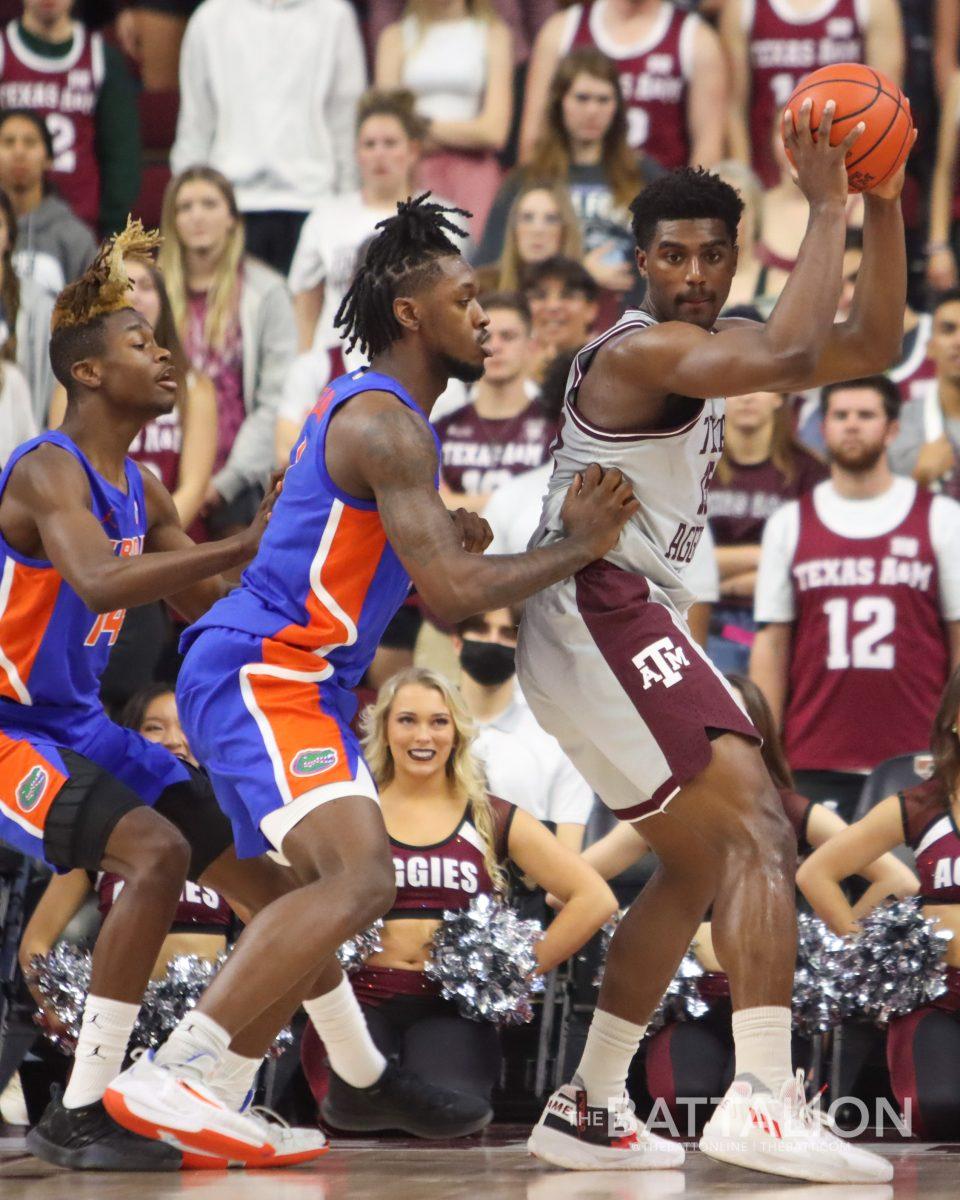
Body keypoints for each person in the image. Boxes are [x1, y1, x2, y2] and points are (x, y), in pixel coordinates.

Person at [103, 195, 639, 1166]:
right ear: (409, 312)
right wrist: (575, 544)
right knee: (362, 878)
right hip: (271, 672)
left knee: (297, 894)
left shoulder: (377, 415)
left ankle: (320, 1084)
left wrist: (430, 532)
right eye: (467, 298)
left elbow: (380, 549)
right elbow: (453, 594)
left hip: (282, 675)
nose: (483, 317)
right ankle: (181, 1068)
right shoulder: (389, 426)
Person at [517, 98, 912, 1181]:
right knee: (760, 836)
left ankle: (592, 1101)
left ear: (738, 257)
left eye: (713, 255)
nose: (694, 272)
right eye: (674, 255)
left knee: (695, 868)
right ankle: (763, 1095)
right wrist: (827, 199)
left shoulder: (716, 339)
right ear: (640, 261)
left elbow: (871, 341)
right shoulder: (642, 353)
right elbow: (791, 344)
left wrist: (881, 203)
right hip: (595, 609)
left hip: (615, 619)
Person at [4, 224, 324, 1171]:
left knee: (275, 891)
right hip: (11, 728)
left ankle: (274, 1081)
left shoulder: (141, 484)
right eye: (143, 343)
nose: (167, 356)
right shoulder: (45, 466)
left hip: (78, 724)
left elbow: (205, 602)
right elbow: (104, 583)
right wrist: (237, 541)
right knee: (154, 853)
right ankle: (82, 1107)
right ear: (90, 374)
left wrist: (309, 566)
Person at [567, 673, 916, 1131]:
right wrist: (638, 926)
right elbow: (570, 886)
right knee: (682, 1103)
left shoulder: (789, 809)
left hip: (778, 1003)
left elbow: (897, 878)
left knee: (760, 1109)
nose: (716, 735)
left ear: (756, 735)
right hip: (691, 1002)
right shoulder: (663, 808)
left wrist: (843, 936)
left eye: (730, 722)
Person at [307, 667, 616, 1134]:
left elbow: (593, 898)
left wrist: (519, 969)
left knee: (455, 1119)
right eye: (407, 720)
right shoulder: (350, 809)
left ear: (457, 733)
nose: (423, 735)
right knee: (352, 1121)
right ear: (385, 729)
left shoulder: (489, 814)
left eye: (439, 721)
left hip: (448, 1008)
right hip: (358, 1001)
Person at [751, 376, 960, 821]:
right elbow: (771, 643)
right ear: (822, 427)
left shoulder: (943, 518)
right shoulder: (788, 523)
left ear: (892, 429)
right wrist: (766, 753)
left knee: (913, 888)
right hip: (813, 752)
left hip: (918, 755)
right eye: (840, 416)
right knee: (812, 886)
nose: (851, 426)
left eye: (866, 415)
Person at [797, 665, 960, 1140]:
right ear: (954, 719)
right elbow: (816, 872)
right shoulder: (923, 804)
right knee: (938, 1109)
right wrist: (864, 952)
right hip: (939, 999)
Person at [18, 685, 233, 1023]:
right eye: (155, 727)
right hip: (119, 1023)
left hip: (208, 1027)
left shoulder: (231, 828)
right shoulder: (103, 835)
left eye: (186, 726)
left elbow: (275, 926)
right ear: (128, 741)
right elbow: (35, 945)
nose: (175, 739)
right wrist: (63, 1016)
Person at [170, 0, 367, 276]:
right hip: (231, 205)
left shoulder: (335, 16)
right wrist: (190, 205)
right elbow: (195, 124)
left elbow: (345, 120)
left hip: (314, 202)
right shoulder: (209, 18)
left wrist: (348, 206)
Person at [158, 167, 296, 535]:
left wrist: (224, 483)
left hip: (240, 477)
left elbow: (275, 400)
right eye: (185, 207)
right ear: (172, 220)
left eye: (209, 204)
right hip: (162, 464)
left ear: (233, 219)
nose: (197, 215)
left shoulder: (267, 292)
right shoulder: (150, 291)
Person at [477, 46, 658, 300]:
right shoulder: (525, 180)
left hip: (631, 318)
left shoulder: (646, 176)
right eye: (582, 98)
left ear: (617, 107)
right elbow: (493, 266)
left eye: (603, 99)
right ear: (560, 102)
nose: (592, 110)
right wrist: (580, 273)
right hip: (544, 316)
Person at [289, 89, 431, 358]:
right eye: (369, 144)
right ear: (356, 152)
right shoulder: (325, 218)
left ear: (412, 151)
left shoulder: (441, 219)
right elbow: (305, 304)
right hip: (336, 363)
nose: (379, 154)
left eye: (390, 143)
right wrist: (306, 363)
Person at [520, 0, 727, 171]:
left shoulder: (697, 39)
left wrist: (685, 211)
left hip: (661, 206)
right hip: (571, 198)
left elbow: (707, 148)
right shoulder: (561, 30)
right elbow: (534, 136)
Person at [451, 608, 595, 851]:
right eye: (481, 629)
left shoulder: (558, 739)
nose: (493, 641)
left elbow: (568, 857)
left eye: (507, 633)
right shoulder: (423, 733)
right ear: (457, 641)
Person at [720, 0, 905, 188]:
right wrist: (743, 188)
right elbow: (733, 108)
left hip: (847, 169)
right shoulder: (742, 7)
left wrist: (870, 183)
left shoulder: (873, 5)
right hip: (770, 176)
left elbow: (887, 107)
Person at [707, 389, 827, 673]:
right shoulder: (699, 467)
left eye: (759, 387)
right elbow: (682, 559)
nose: (746, 397)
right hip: (710, 618)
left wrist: (723, 581)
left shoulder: (809, 470)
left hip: (784, 615)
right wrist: (767, 558)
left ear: (779, 397)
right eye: (737, 388)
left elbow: (811, 559)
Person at [374, 0, 513, 239]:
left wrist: (419, 126)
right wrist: (467, 134)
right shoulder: (395, 37)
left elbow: (494, 132)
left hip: (474, 174)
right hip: (413, 170)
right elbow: (389, 123)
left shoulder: (493, 33)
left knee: (469, 261)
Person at [0, 0, 141, 234]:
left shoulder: (101, 57)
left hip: (81, 227)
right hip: (6, 226)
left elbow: (121, 156)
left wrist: (112, 233)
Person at [434, 292, 554, 514]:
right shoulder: (440, 428)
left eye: (508, 336)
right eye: (485, 337)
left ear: (532, 345)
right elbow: (430, 506)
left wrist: (458, 503)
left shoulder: (557, 427)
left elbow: (553, 505)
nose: (495, 347)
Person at [0, 108, 95, 298]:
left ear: (49, 158)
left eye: (30, 142)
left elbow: (94, 313)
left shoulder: (75, 236)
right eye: (8, 142)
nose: (19, 152)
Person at [889, 290, 960, 498]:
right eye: (948, 330)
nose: (959, 340)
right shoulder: (897, 427)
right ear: (929, 347)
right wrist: (920, 478)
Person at [486, 180, 583, 294]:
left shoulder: (588, 292)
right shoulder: (481, 288)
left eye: (551, 219)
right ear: (514, 229)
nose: (537, 230)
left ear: (565, 232)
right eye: (527, 218)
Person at [521, 255, 599, 378]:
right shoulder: (505, 364)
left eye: (568, 296)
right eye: (540, 296)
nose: (553, 306)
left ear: (591, 309)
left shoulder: (609, 364)